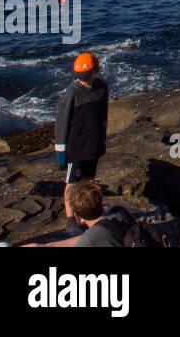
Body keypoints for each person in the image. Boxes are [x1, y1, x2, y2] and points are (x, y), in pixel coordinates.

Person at [55, 52, 109, 231]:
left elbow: (103, 118)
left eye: (87, 75)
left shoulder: (102, 88)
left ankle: (88, 216)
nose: (84, 79)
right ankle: (71, 220)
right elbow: (61, 124)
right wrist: (61, 153)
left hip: (93, 145)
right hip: (76, 148)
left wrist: (102, 140)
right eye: (81, 76)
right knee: (71, 184)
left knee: (89, 182)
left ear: (95, 71)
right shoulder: (72, 93)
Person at [22, 180, 121, 247]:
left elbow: (88, 239)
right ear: (101, 201)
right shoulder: (119, 212)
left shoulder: (92, 237)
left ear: (76, 214)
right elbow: (86, 238)